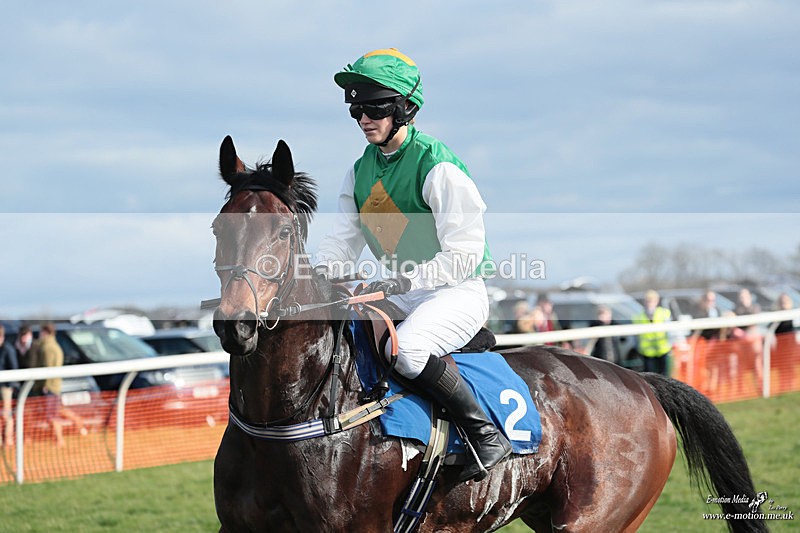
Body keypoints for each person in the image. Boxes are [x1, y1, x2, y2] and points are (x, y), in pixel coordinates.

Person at [315, 48, 510, 481]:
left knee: (407, 351)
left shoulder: (437, 165)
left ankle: (485, 436)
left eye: (374, 107)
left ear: (406, 108)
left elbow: (466, 255)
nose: (364, 118)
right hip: (402, 293)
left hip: (456, 292)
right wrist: (311, 276)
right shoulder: (359, 172)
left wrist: (405, 280)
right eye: (356, 109)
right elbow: (342, 243)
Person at [28, 322, 66, 446]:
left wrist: (46, 385)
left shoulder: (48, 347)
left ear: (46, 332)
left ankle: (59, 440)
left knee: (52, 415)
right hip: (53, 385)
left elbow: (48, 368)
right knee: (55, 412)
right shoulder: (51, 345)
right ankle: (58, 439)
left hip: (50, 387)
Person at [632, 290, 672, 375]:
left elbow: (671, 331)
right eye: (648, 301)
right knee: (650, 377)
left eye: (652, 300)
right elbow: (635, 336)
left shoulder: (664, 313)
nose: (650, 303)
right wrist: (638, 349)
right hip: (647, 353)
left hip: (663, 350)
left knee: (664, 377)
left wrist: (671, 345)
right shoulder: (638, 317)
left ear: (657, 301)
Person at [0, 325, 19, 447]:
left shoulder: (8, 349)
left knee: (6, 414)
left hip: (5, 388)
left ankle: (9, 440)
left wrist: (10, 386)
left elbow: (14, 368)